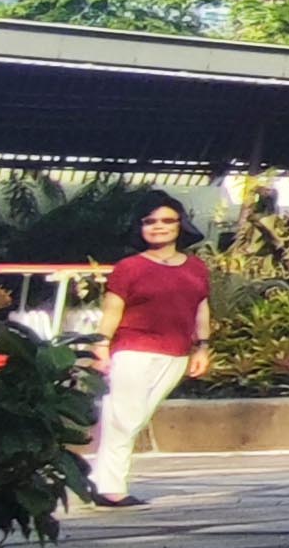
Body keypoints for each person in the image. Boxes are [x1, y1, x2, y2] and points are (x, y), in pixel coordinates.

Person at [81, 190, 209, 509]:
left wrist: (202, 347)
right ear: (140, 227)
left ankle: (100, 480)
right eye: (150, 221)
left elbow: (201, 309)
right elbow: (113, 309)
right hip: (133, 348)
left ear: (181, 225)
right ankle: (110, 488)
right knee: (123, 416)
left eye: (167, 220)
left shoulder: (196, 268)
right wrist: (101, 345)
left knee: (136, 416)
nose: (159, 226)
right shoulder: (128, 267)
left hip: (177, 353)